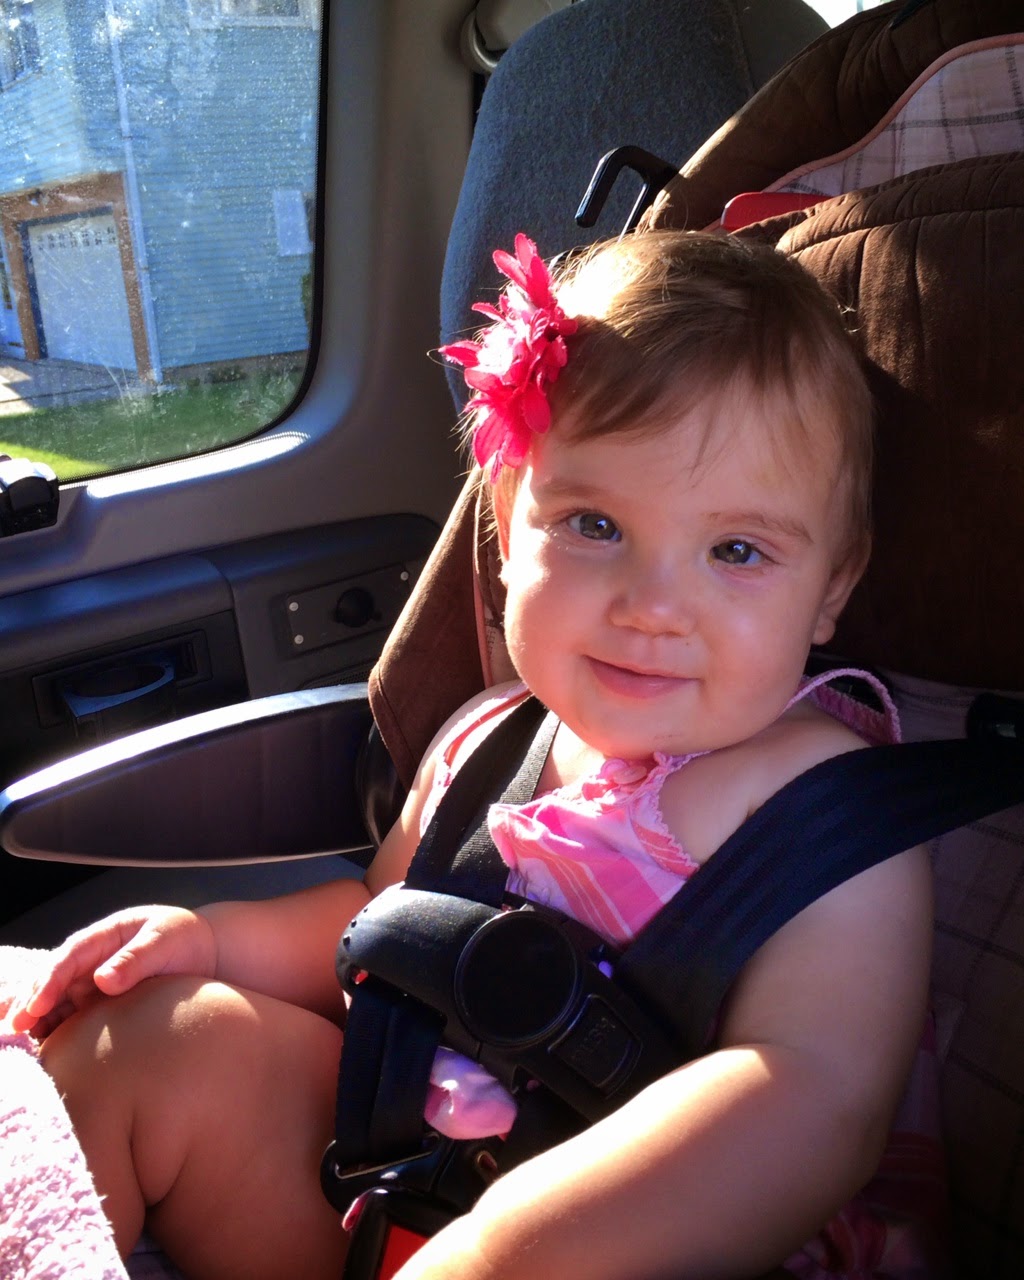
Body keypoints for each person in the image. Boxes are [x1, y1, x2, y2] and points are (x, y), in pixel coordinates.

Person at [11, 230, 939, 1280]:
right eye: (594, 524)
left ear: (831, 587)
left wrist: (503, 1249)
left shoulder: (832, 819)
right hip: (400, 1175)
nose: (652, 606)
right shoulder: (489, 736)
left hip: (639, 1251)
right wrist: (213, 942)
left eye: (737, 550)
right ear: (505, 526)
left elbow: (812, 1098)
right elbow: (381, 918)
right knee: (151, 1037)